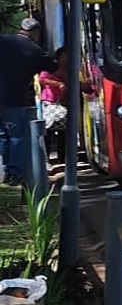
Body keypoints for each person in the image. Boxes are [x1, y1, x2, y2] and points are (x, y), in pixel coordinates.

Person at [0, 18, 58, 187]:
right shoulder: (34, 50)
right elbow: (54, 67)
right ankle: (15, 174)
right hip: (14, 99)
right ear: (36, 33)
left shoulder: (3, 40)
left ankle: (6, 171)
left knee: (3, 136)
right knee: (17, 136)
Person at [37, 48, 71, 164]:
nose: (67, 58)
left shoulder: (69, 69)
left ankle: (62, 158)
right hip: (50, 102)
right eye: (65, 56)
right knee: (48, 131)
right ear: (60, 56)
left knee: (63, 132)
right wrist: (58, 84)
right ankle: (46, 159)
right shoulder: (51, 66)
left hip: (63, 103)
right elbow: (43, 79)